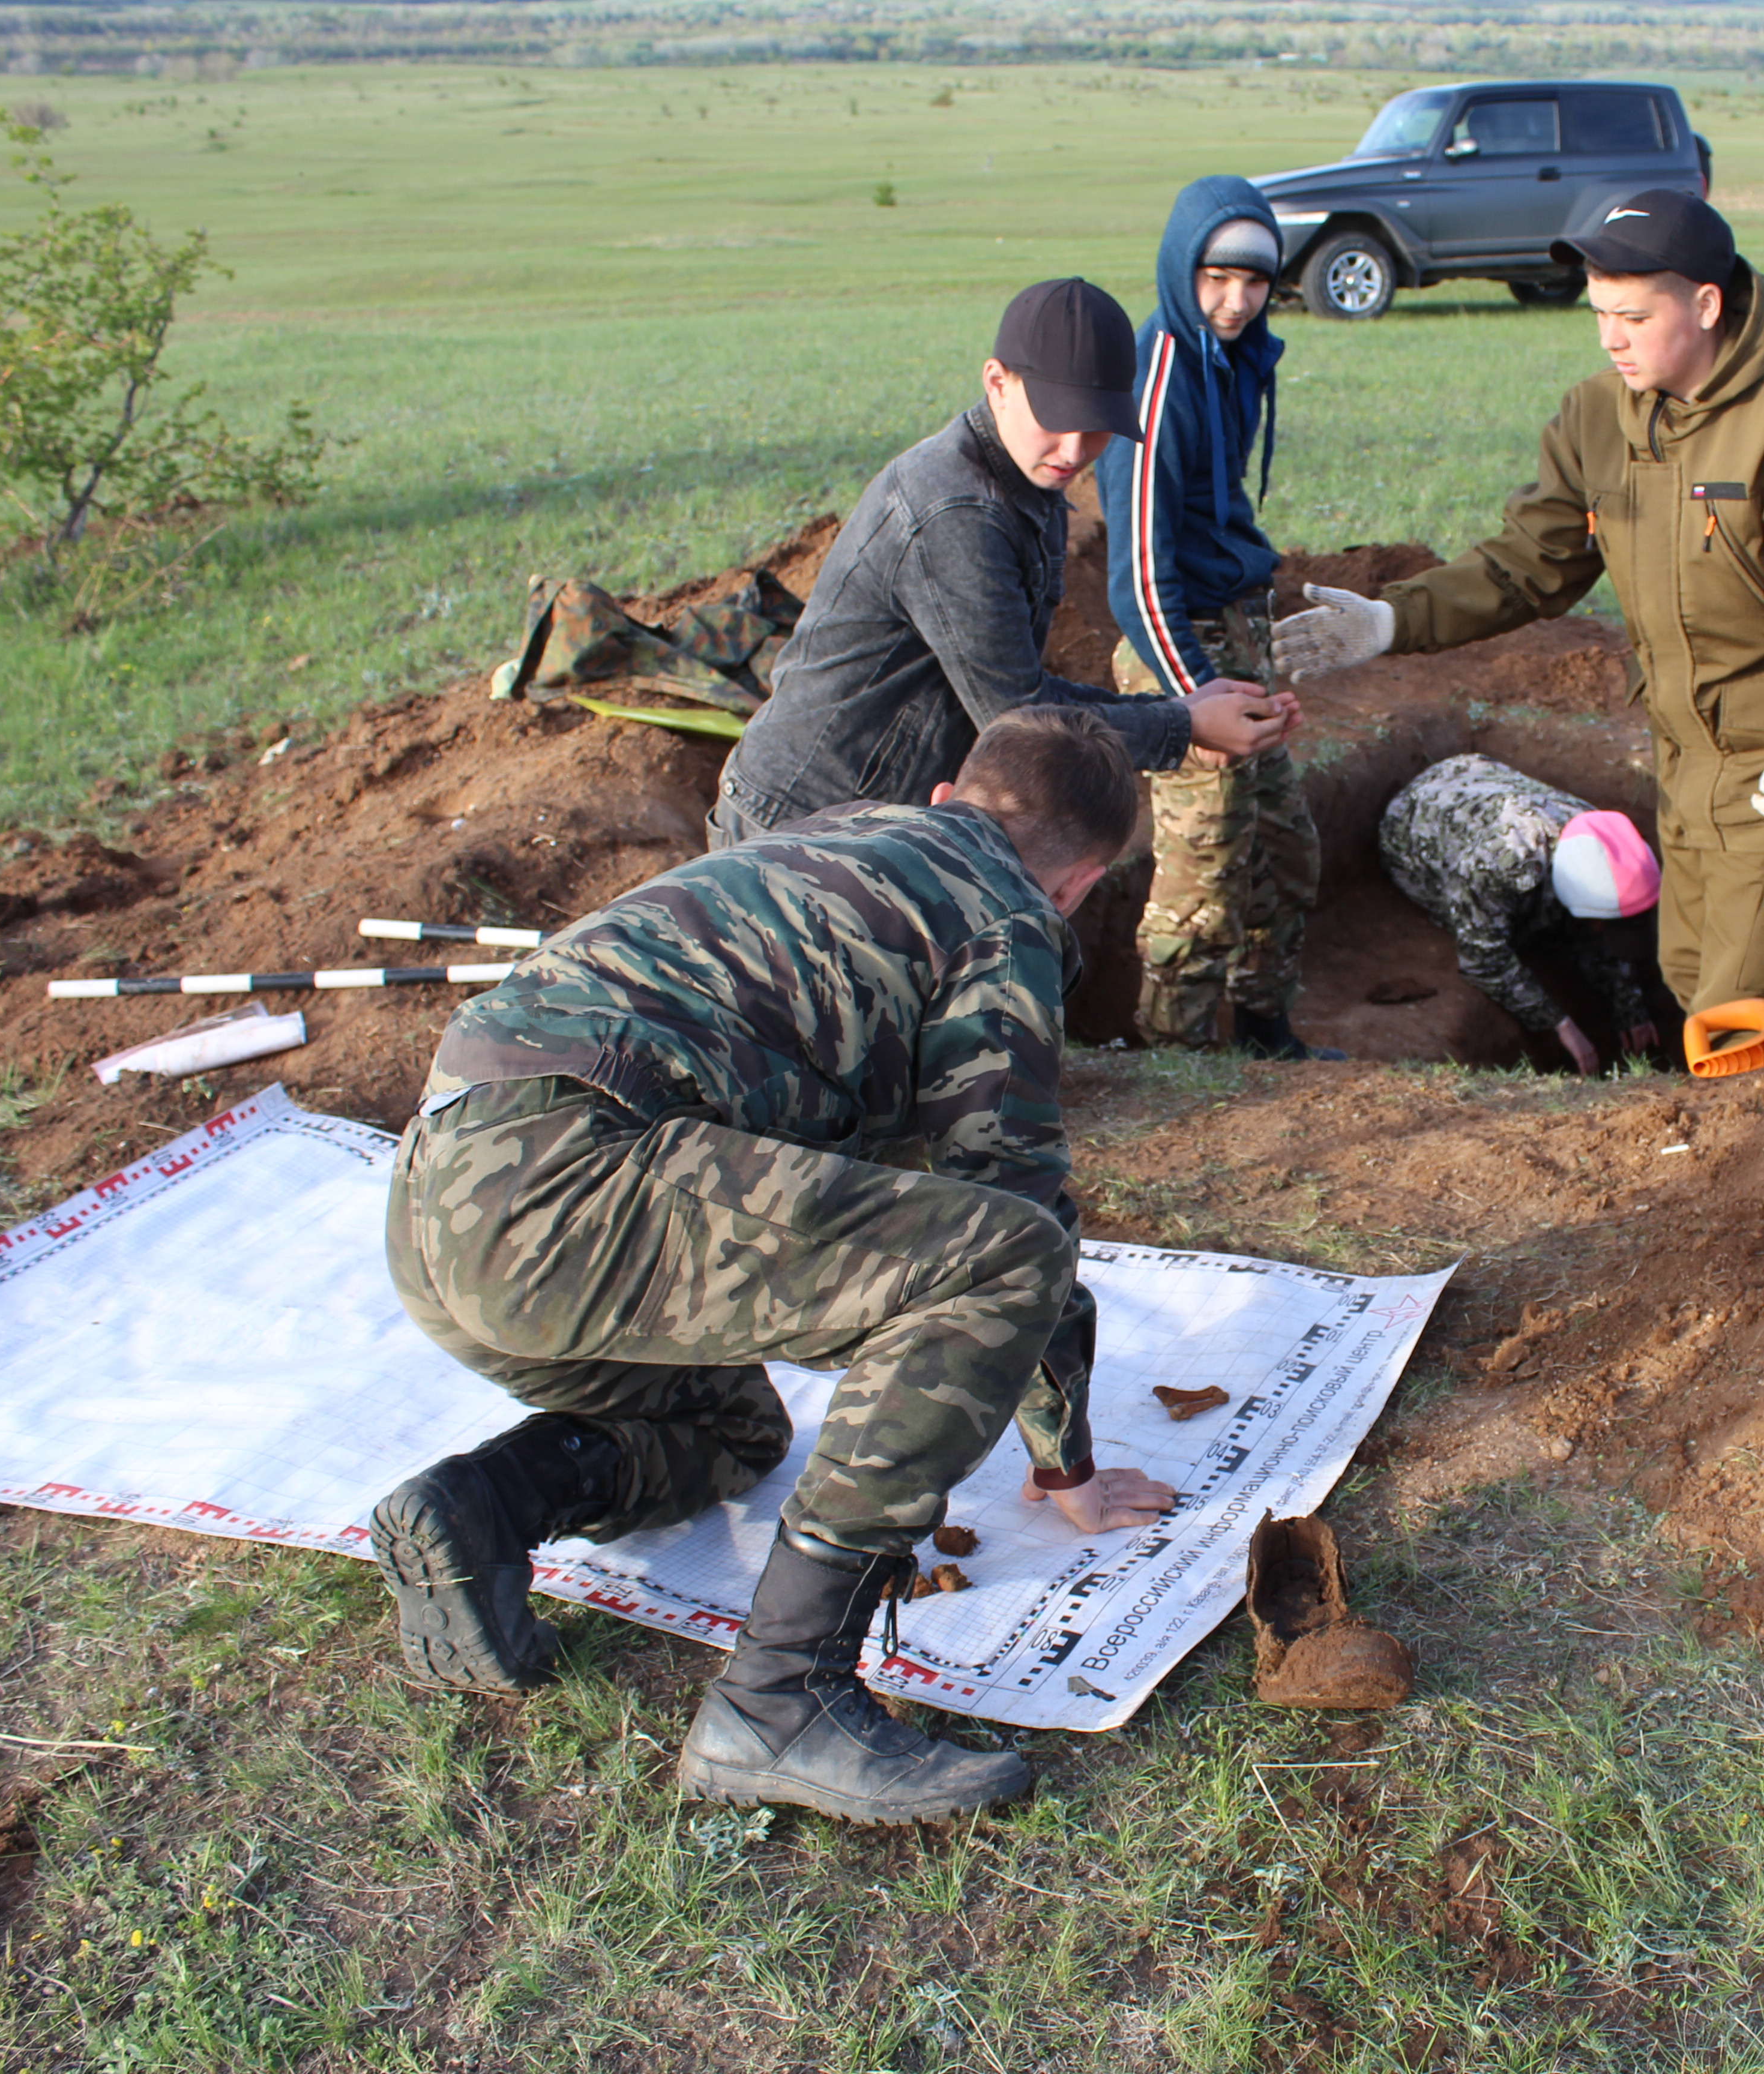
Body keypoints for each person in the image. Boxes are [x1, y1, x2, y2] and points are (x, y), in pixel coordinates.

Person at [374, 707, 1180, 1826]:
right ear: (1079, 883)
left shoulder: (846, 837)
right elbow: (1012, 1202)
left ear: (949, 797)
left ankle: (487, 1503)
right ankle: (782, 1699)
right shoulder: (1005, 920)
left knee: (736, 1432)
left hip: (439, 1199)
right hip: (580, 1191)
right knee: (1004, 1260)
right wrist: (1065, 1463)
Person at [1272, 189, 1764, 1020]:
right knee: (1691, 982)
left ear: (1706, 304)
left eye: (1632, 315)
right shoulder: (1599, 415)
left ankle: (1748, 1142)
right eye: (1598, 313)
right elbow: (1532, 563)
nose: (1609, 337)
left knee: (1740, 1015)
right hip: (1685, 761)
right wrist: (1394, 619)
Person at [709, 278, 1295, 849]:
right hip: (803, 820)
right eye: (1057, 418)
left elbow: (1020, 690)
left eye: (1096, 428)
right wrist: (1182, 727)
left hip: (880, 809)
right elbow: (1014, 717)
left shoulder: (1029, 481)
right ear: (997, 382)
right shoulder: (957, 513)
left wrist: (1180, 712)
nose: (1073, 451)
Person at [1098, 178, 1338, 1063]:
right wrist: (1193, 697)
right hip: (1182, 645)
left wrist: (1259, 668)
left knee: (1282, 851)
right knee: (1202, 877)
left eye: (1255, 283)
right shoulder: (1157, 375)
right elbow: (1134, 576)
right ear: (1180, 268)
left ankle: (1267, 1031)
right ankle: (1174, 1063)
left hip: (1242, 630)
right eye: (1215, 278)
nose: (1235, 303)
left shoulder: (1236, 357)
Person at [1377, 753, 1661, 1074]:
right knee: (1526, 935)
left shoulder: (1603, 838)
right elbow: (1483, 961)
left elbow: (1605, 929)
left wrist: (1630, 1005)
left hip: (1474, 772)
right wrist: (1560, 1024)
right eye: (1600, 925)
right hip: (1410, 823)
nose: (1602, 932)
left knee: (1568, 932)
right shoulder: (1500, 863)